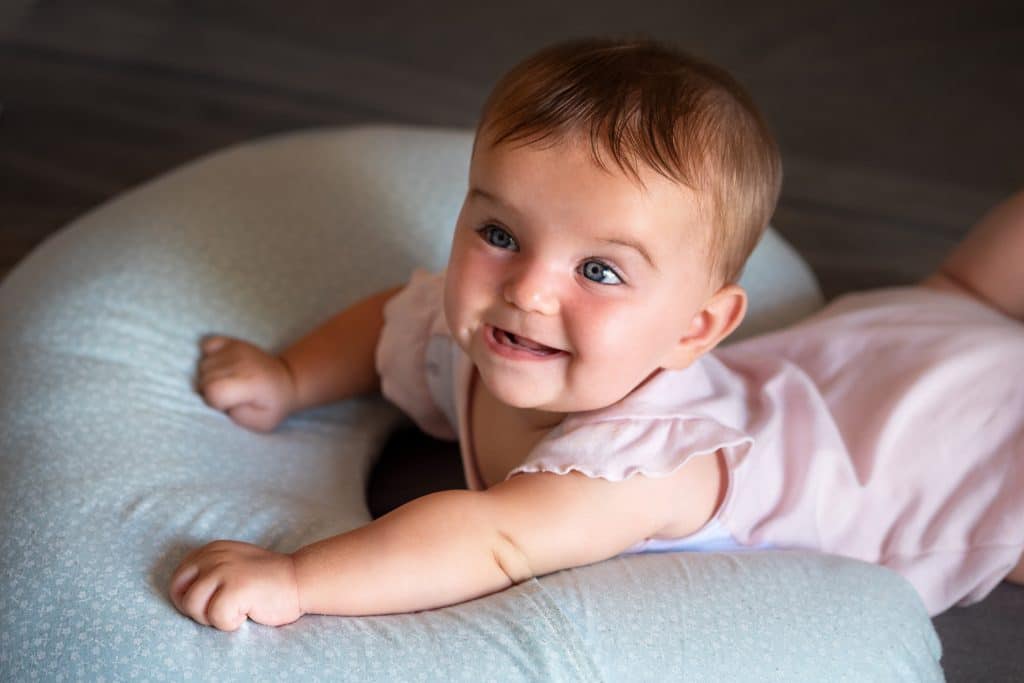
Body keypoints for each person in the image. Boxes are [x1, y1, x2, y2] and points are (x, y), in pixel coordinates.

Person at [168, 37, 1024, 632]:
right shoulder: (482, 327)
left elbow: (494, 537)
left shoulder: (640, 465)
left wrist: (296, 578)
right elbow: (396, 315)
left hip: (954, 450)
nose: (527, 290)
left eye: (600, 270)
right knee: (960, 291)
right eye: (499, 234)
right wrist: (290, 376)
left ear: (697, 327)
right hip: (893, 342)